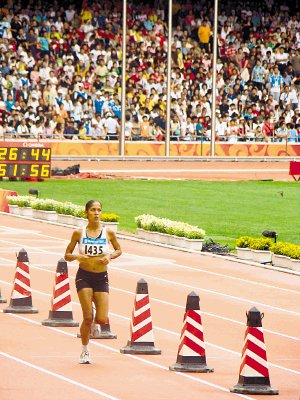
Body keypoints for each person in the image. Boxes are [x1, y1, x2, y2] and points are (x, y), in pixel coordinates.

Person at [64, 200, 122, 364]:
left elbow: (119, 249)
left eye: (99, 210)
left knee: (102, 319)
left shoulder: (108, 233)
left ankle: (95, 324)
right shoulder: (78, 233)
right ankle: (84, 350)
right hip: (84, 276)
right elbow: (67, 255)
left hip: (101, 277)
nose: (96, 213)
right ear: (86, 213)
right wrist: (77, 256)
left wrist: (109, 256)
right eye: (93, 210)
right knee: (88, 316)